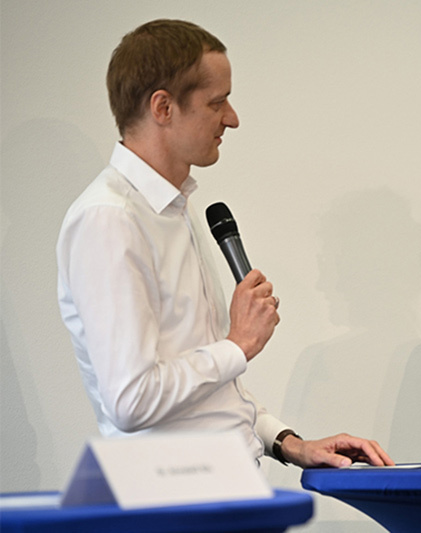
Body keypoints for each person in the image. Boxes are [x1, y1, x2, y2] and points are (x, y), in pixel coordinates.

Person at [56, 19, 393, 469]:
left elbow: (206, 395)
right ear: (163, 107)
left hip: (222, 488)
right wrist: (237, 345)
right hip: (171, 501)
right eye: (217, 102)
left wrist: (288, 443)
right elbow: (131, 400)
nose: (232, 118)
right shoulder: (110, 219)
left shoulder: (176, 210)